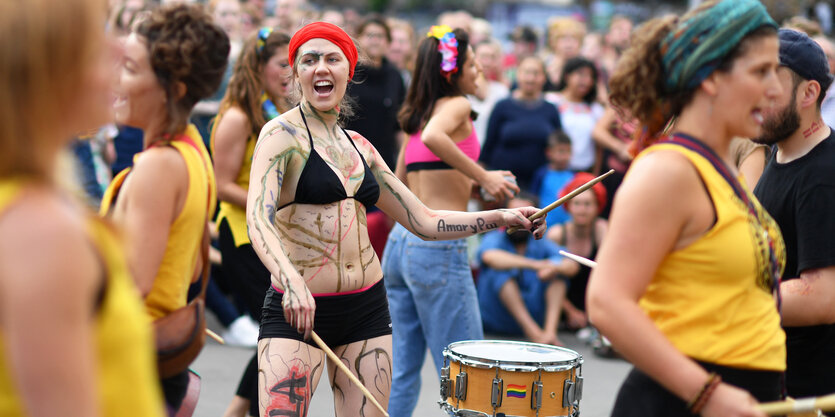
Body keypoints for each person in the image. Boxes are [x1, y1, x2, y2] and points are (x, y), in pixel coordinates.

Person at [246, 22, 545, 417]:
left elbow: (424, 220)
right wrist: (291, 280)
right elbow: (258, 219)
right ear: (297, 73)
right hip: (298, 310)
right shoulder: (279, 136)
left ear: (348, 72)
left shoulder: (361, 149)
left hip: (366, 310)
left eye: (332, 59)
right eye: (309, 60)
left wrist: (503, 215)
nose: (321, 68)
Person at [586, 1, 787, 416]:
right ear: (711, 77)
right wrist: (708, 394)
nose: (776, 89)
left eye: (777, 71)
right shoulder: (668, 171)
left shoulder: (725, 168)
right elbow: (607, 302)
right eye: (760, 71)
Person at [0, 0, 165, 415]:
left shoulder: (30, 206)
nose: (118, 51)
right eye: (94, 41)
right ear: (43, 70)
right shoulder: (43, 232)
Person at [382, 25, 525, 417]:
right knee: (469, 372)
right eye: (474, 64)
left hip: (400, 246)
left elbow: (400, 183)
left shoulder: (419, 113)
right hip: (437, 249)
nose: (479, 70)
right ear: (453, 72)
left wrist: (478, 190)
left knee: (403, 372)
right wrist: (483, 176)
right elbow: (433, 138)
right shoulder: (456, 106)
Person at [101, 4, 229, 413]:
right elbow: (186, 267)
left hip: (130, 361)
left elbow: (133, 284)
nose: (116, 79)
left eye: (131, 69)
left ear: (172, 89)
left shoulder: (160, 164)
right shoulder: (191, 147)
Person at [211, 27, 293, 417]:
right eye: (282, 64)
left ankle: (235, 410)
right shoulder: (238, 117)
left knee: (275, 332)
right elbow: (222, 185)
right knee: (277, 329)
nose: (291, 71)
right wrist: (270, 203)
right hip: (243, 237)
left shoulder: (276, 113)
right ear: (258, 67)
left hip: (273, 236)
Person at [753, 28, 835, 399]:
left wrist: (725, 299)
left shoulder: (824, 176)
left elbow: (821, 297)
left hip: (805, 393)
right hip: (772, 374)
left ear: (809, 93)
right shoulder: (782, 150)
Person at [477, 194, 579, 346]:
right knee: (499, 272)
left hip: (535, 314)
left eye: (527, 216)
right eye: (514, 215)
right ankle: (535, 334)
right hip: (497, 321)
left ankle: (549, 334)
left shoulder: (539, 241)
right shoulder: (494, 238)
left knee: (558, 276)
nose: (520, 221)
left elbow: (571, 264)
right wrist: (536, 265)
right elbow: (489, 257)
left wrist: (553, 267)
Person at [481, 55, 563, 192]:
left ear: (544, 77)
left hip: (538, 184)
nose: (531, 78)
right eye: (526, 72)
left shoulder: (551, 109)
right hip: (504, 184)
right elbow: (489, 145)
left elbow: (558, 144)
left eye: (536, 73)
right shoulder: (502, 106)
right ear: (518, 75)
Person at [545, 173, 608, 332]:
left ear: (597, 207)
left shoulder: (602, 231)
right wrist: (571, 312)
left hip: (593, 308)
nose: (582, 210)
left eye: (588, 204)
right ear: (569, 206)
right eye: (577, 203)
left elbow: (610, 275)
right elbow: (546, 278)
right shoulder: (557, 234)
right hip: (561, 308)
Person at [546, 57, 605, 173]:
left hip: (583, 171)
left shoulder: (595, 109)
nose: (586, 80)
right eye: (581, 75)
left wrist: (595, 174)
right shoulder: (551, 101)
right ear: (567, 76)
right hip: (554, 171)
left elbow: (598, 148)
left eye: (590, 77)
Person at [530, 130, 574, 227]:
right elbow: (534, 198)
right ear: (549, 152)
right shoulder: (541, 174)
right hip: (545, 227)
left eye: (569, 151)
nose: (565, 156)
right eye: (561, 151)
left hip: (567, 228)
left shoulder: (573, 176)